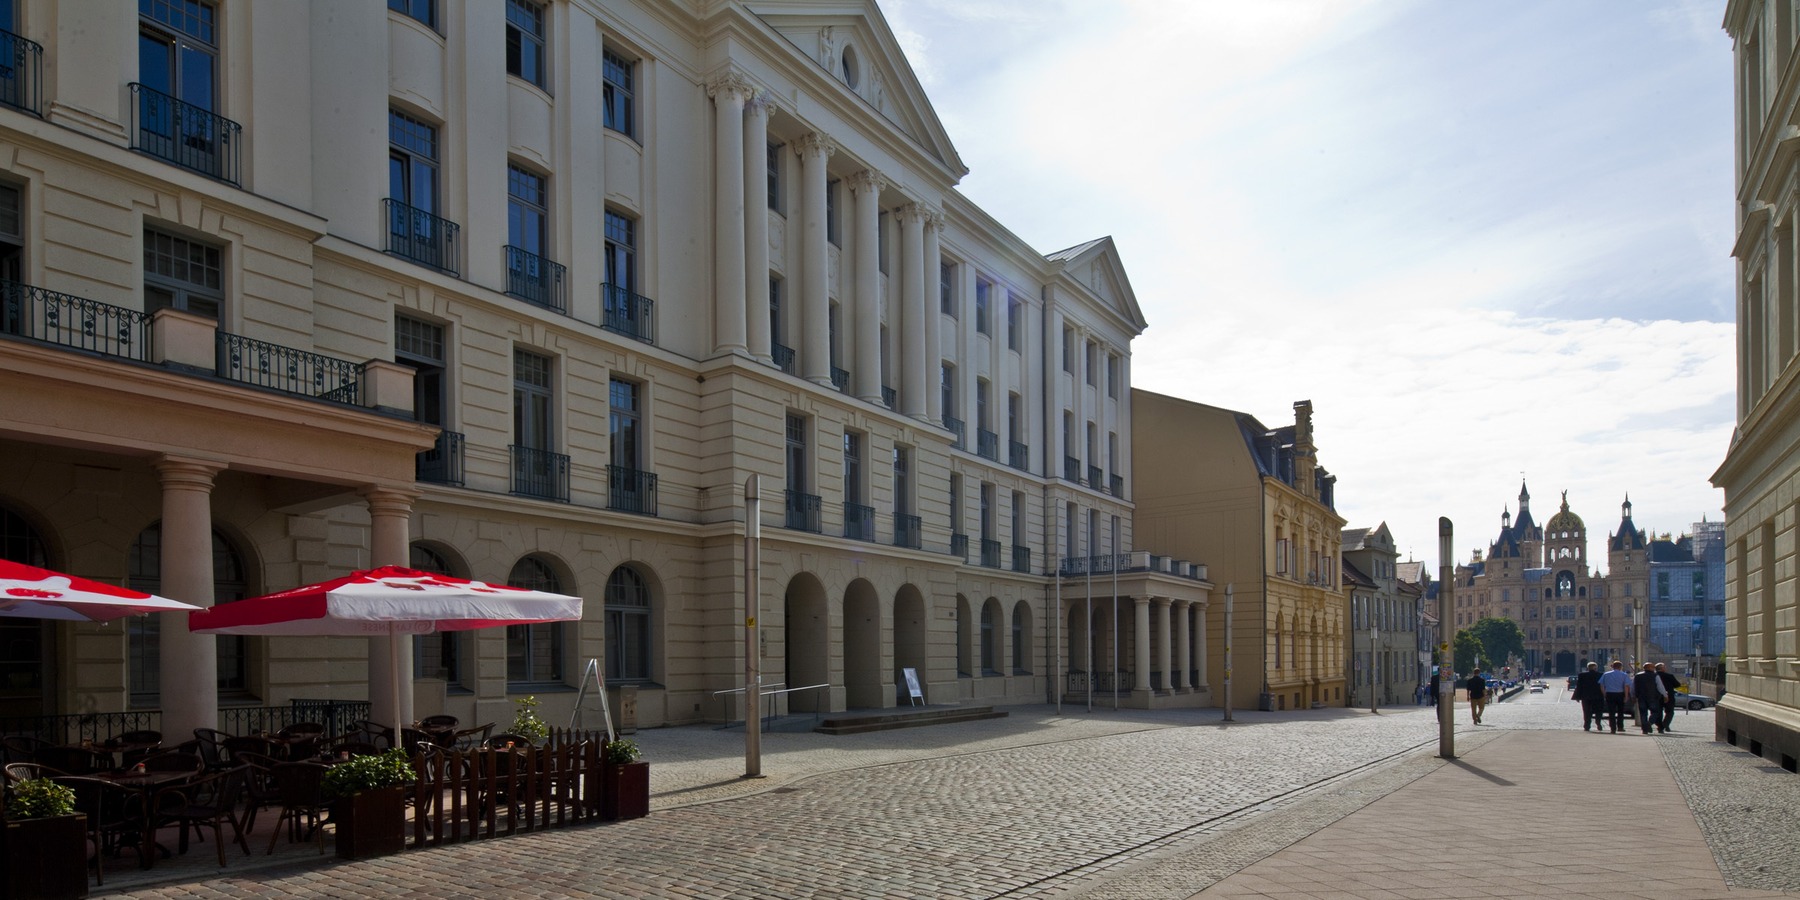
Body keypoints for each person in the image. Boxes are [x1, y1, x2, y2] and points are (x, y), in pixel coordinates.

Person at [1598, 660, 1633, 733]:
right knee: (1620, 712)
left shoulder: (1606, 674)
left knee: (1611, 712)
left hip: (1610, 694)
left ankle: (1613, 728)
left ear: (1612, 666)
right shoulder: (1624, 675)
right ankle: (1620, 727)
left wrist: (1604, 694)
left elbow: (1601, 685)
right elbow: (1626, 686)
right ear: (1621, 667)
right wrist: (1626, 696)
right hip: (1620, 694)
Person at [1633, 661, 1665, 734]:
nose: (1654, 668)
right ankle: (1649, 723)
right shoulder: (1655, 675)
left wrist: (1633, 695)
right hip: (1653, 697)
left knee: (1643, 713)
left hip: (1641, 697)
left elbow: (1633, 687)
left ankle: (1644, 729)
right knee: (1655, 712)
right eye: (1653, 667)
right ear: (1650, 668)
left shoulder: (1637, 676)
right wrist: (1665, 695)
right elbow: (1660, 687)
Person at [1573, 661, 1605, 731]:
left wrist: (1577, 696)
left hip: (1586, 696)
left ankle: (1587, 725)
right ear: (1596, 668)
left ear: (1588, 668)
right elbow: (1603, 686)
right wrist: (1604, 694)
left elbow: (1579, 686)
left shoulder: (1582, 675)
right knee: (1598, 711)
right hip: (1598, 696)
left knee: (1586, 711)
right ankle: (1598, 722)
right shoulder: (1601, 675)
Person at [1655, 663, 1681, 733]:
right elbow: (1677, 684)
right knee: (1670, 712)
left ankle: (1660, 726)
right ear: (1662, 668)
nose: (1665, 668)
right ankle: (1665, 724)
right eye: (1664, 667)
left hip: (1657, 696)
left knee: (1658, 712)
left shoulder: (1654, 676)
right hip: (1669, 696)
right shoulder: (1669, 676)